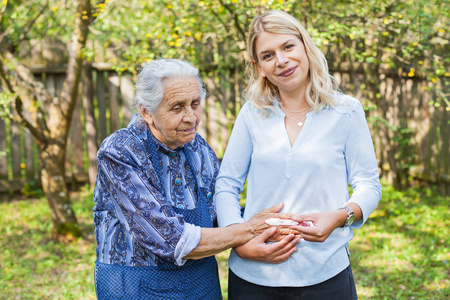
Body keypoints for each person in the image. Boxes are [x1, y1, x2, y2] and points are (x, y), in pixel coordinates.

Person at [92, 58, 300, 300]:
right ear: (146, 112)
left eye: (195, 104)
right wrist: (248, 230)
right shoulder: (120, 152)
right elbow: (169, 239)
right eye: (177, 107)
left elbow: (219, 212)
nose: (191, 117)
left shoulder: (197, 147)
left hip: (200, 282)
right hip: (137, 286)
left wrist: (276, 224)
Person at [213, 10, 382, 300]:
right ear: (259, 67)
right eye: (268, 55)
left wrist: (341, 216)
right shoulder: (252, 114)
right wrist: (238, 239)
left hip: (326, 274)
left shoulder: (346, 111)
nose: (281, 60)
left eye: (288, 46)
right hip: (254, 276)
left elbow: (369, 184)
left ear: (305, 45)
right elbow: (226, 185)